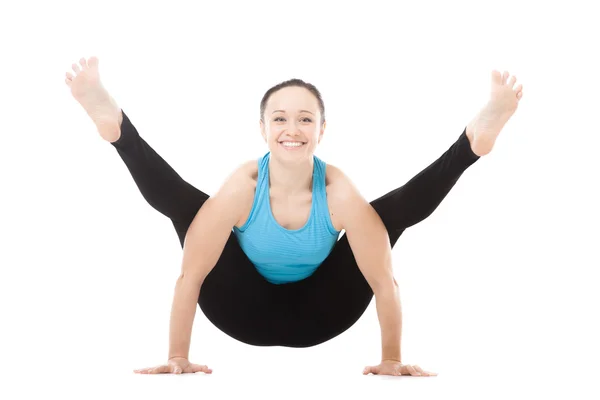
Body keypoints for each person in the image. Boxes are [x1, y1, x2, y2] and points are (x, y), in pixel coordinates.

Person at [65, 56, 523, 377]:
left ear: (322, 130)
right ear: (262, 129)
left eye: (305, 119)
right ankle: (119, 132)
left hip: (322, 315)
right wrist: (177, 356)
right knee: (190, 209)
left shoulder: (337, 190)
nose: (292, 129)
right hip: (240, 311)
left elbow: (383, 279)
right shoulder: (243, 185)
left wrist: (391, 358)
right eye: (279, 119)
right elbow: (191, 274)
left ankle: (470, 146)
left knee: (388, 215)